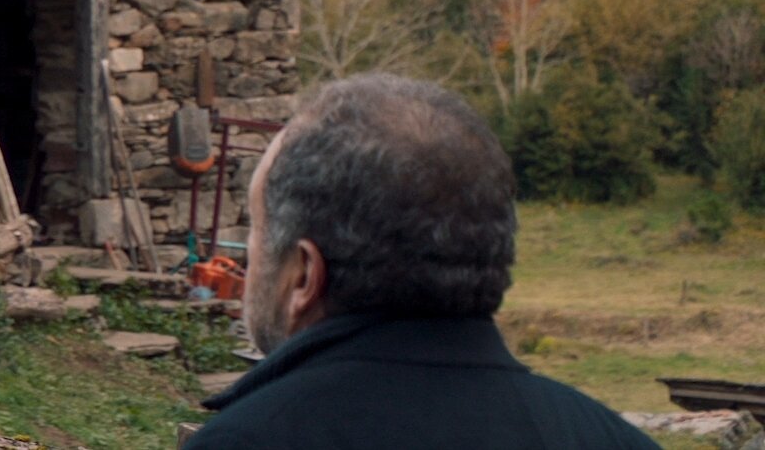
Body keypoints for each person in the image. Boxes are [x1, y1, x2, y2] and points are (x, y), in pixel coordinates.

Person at [187, 74, 657, 449]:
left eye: (256, 232)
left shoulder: (249, 440)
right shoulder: (617, 441)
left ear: (305, 274)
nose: (247, 261)